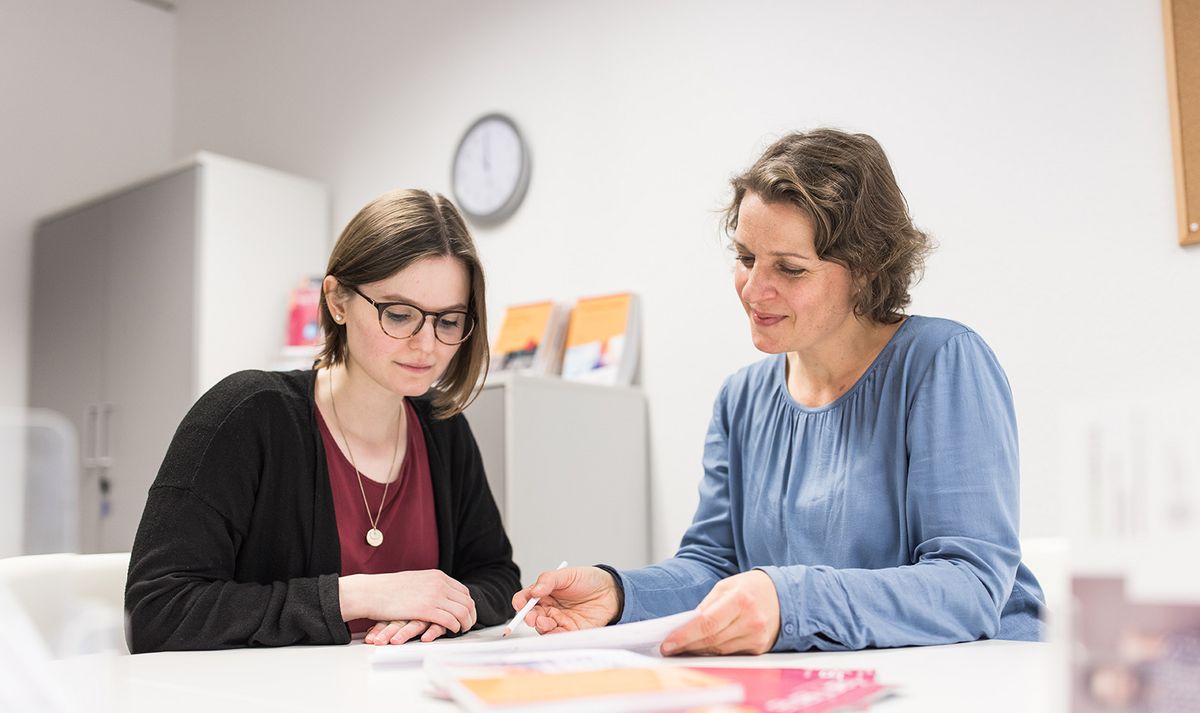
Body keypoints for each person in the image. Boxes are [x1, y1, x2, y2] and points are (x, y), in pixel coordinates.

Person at [513, 129, 1046, 655]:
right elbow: (715, 568)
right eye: (746, 258)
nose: (754, 290)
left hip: (968, 682)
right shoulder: (741, 399)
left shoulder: (942, 362)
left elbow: (970, 586)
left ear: (865, 270)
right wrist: (621, 594)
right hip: (822, 686)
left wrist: (788, 600)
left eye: (789, 269)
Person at [125, 189, 519, 652]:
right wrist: (356, 596)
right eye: (398, 315)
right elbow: (158, 612)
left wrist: (440, 613)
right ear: (336, 301)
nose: (427, 345)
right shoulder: (247, 414)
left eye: (448, 322)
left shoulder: (442, 426)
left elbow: (497, 578)